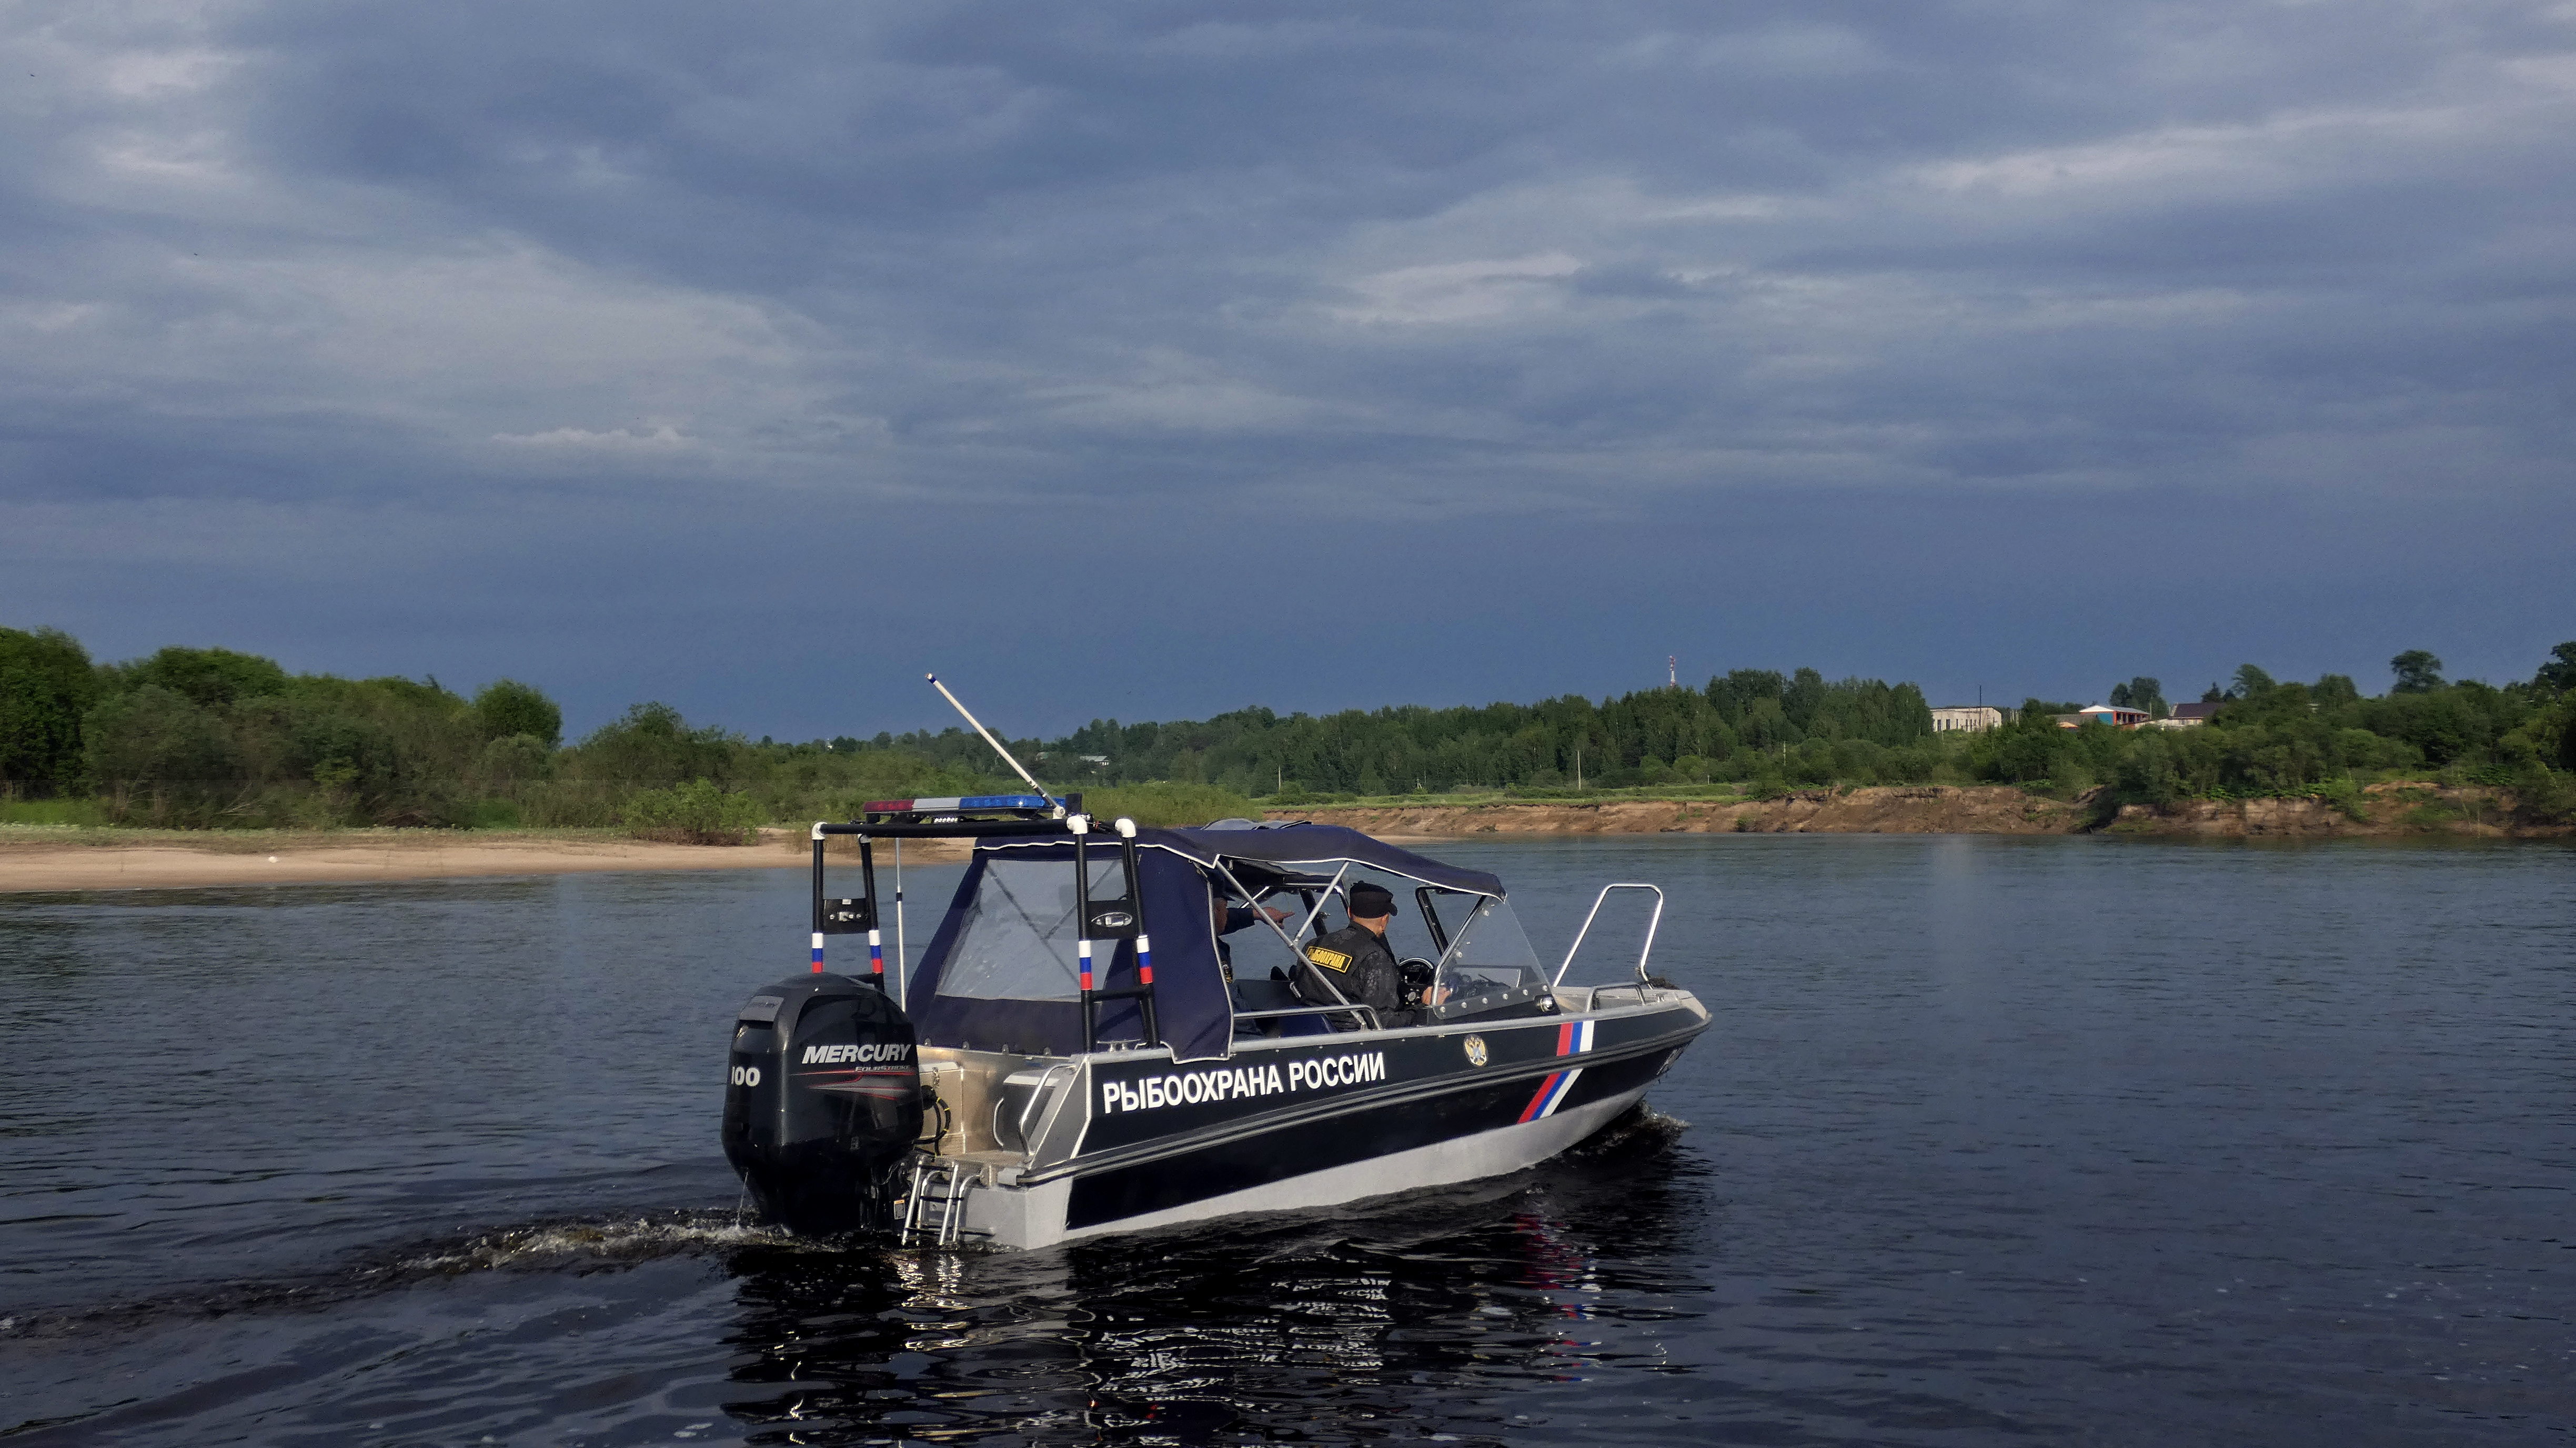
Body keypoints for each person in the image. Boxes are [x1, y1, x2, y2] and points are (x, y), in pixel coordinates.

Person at [1292, 881, 1441, 1030]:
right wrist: (1423, 1008)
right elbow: (1383, 1023)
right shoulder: (1375, 957)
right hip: (1352, 1042)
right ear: (1385, 920)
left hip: (1309, 1032)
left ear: (1350, 912)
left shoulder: (1313, 945)